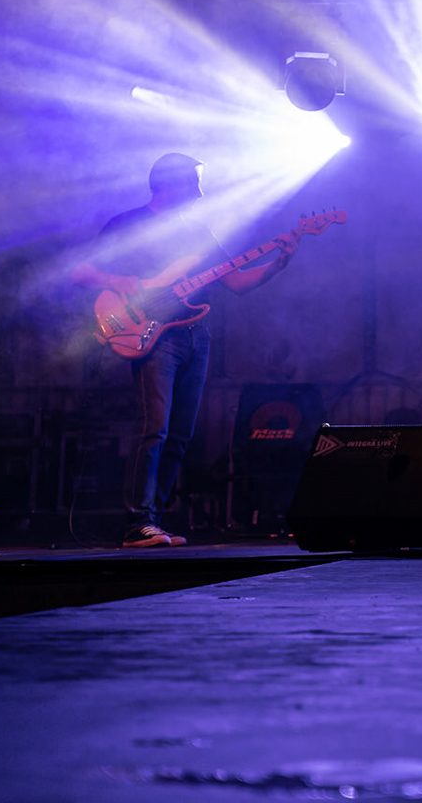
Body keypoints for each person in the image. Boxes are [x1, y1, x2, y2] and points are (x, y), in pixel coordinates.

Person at [72, 153, 298, 548]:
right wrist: (119, 280)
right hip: (154, 336)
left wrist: (278, 263)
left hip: (196, 335)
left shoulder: (198, 232)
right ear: (170, 183)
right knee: (155, 427)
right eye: (194, 183)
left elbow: (236, 282)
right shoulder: (128, 224)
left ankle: (154, 521)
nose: (200, 192)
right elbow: (81, 272)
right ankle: (137, 523)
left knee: (179, 434)